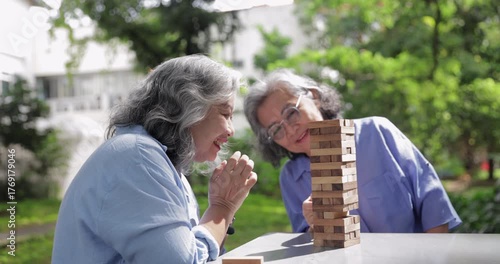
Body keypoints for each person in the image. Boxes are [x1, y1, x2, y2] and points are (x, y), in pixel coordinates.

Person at [52, 54, 258, 263]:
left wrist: (222, 209)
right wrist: (222, 207)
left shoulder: (160, 163)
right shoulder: (137, 157)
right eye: (225, 114)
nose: (231, 130)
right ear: (189, 105)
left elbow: (196, 255)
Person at [243, 69, 461, 234]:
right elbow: (306, 247)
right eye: (276, 129)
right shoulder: (291, 178)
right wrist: (318, 226)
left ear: (314, 98)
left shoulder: (376, 133)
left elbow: (433, 205)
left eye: (291, 113)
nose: (290, 130)